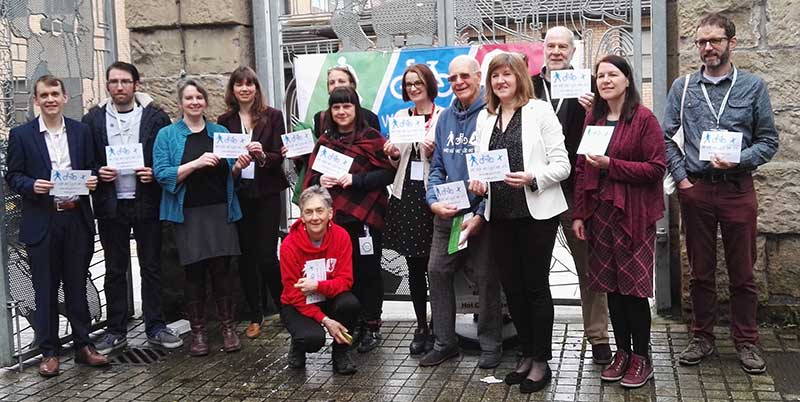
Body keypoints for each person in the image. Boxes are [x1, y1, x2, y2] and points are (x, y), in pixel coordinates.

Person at [664, 13, 778, 374]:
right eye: (701, 42)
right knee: (699, 271)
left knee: (742, 271)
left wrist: (740, 160)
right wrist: (682, 180)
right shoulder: (683, 88)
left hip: (738, 189)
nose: (707, 48)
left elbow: (769, 141)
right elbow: (666, 138)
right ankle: (702, 336)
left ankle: (746, 341)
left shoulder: (752, 87)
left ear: (732, 42)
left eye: (714, 41)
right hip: (696, 190)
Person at [469, 53, 569, 392]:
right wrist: (477, 181)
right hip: (499, 214)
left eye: (507, 75)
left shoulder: (539, 111)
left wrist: (532, 177)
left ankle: (541, 361)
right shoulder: (486, 117)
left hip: (536, 213)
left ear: (520, 78)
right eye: (495, 76)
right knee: (512, 288)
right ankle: (526, 353)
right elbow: (478, 164)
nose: (501, 81)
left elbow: (562, 164)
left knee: (535, 287)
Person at [572, 55, 666, 388]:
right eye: (600, 76)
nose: (606, 80)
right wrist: (580, 214)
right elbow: (583, 169)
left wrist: (613, 164)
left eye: (613, 74)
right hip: (599, 215)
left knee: (633, 289)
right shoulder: (593, 119)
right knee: (610, 286)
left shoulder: (644, 119)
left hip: (633, 216)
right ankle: (622, 352)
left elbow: (657, 168)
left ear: (627, 79)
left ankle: (642, 356)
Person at [5, 75, 109, 376]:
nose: (50, 99)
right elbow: (13, 175)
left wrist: (92, 178)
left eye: (55, 94)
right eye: (44, 95)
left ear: (65, 98)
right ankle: (49, 353)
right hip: (42, 220)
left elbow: (93, 167)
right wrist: (30, 185)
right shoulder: (22, 135)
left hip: (76, 218)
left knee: (77, 285)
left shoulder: (81, 131)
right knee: (45, 289)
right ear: (36, 100)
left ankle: (84, 346)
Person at [82, 61, 182, 354]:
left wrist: (153, 172)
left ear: (136, 85)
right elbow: (86, 158)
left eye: (125, 81)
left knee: (151, 265)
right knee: (114, 269)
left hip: (146, 201)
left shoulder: (155, 118)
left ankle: (155, 325)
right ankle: (115, 330)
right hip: (111, 204)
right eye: (114, 82)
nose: (120, 87)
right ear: (107, 86)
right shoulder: (94, 121)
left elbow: (166, 156)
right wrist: (98, 171)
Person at [153, 79, 250, 357]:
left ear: (206, 102)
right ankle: (197, 332)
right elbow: (162, 174)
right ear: (180, 103)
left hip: (220, 210)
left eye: (199, 98)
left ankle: (228, 327)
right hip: (188, 214)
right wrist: (195, 163)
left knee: (222, 272)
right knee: (194, 273)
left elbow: (230, 175)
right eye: (189, 98)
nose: (194, 102)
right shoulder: (167, 135)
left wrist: (239, 166)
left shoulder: (219, 131)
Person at [531, 26, 611, 364]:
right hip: (538, 186)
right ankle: (533, 340)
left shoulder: (590, 86)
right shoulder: (529, 85)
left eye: (563, 46)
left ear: (573, 50)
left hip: (577, 189)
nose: (556, 51)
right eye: (551, 45)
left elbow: (608, 129)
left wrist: (596, 109)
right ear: (543, 49)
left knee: (588, 268)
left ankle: (598, 337)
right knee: (533, 269)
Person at [419, 55, 503, 369]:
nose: (458, 83)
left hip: (480, 215)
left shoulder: (493, 114)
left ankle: (491, 344)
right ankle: (445, 343)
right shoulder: (445, 119)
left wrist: (481, 213)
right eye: (453, 78)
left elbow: (497, 169)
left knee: (486, 278)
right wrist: (433, 201)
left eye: (464, 76)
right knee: (437, 271)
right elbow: (437, 167)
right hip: (448, 214)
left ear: (478, 76)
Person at [303, 86, 395, 353]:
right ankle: (351, 323)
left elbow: (388, 174)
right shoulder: (325, 141)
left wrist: (356, 180)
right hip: (337, 221)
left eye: (347, 106)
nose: (342, 112)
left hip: (366, 219)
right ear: (330, 111)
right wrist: (322, 179)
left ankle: (371, 325)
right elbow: (309, 182)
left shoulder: (372, 138)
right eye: (336, 107)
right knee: (345, 274)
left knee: (368, 273)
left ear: (356, 109)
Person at [217, 66, 289, 339]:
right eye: (239, 84)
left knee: (267, 256)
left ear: (257, 88)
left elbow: (278, 156)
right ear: (233, 89)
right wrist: (235, 166)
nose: (245, 89)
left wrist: (261, 156)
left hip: (267, 192)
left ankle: (283, 307)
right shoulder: (224, 121)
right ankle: (255, 315)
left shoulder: (273, 116)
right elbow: (223, 160)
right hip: (240, 194)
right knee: (246, 257)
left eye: (250, 84)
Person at [382, 63, 443, 355]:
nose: (413, 87)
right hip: (406, 194)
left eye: (418, 82)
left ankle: (441, 324)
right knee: (415, 268)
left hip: (433, 194)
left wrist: (436, 150)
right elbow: (397, 159)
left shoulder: (443, 115)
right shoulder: (400, 116)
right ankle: (421, 325)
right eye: (408, 84)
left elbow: (449, 156)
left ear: (429, 84)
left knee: (438, 268)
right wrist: (393, 154)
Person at [280, 185, 360, 375]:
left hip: (329, 297)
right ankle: (298, 344)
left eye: (319, 210)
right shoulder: (289, 245)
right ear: (301, 216)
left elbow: (345, 281)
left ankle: (341, 352)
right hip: (299, 303)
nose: (314, 217)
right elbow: (294, 294)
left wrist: (317, 285)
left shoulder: (341, 236)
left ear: (330, 213)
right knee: (312, 340)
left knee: (350, 304)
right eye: (308, 212)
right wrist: (325, 321)